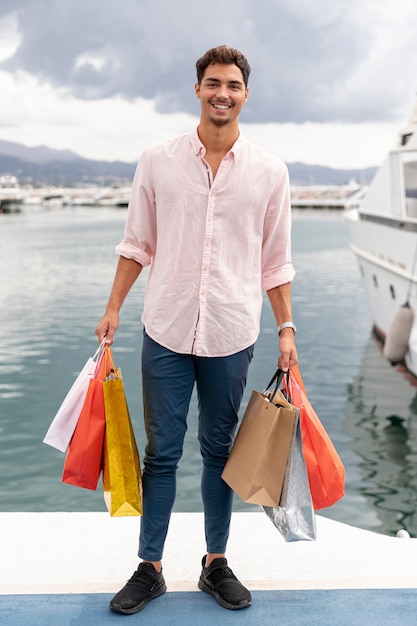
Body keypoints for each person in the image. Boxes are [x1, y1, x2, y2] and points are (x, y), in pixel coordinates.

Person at [95, 44, 297, 615]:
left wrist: (287, 328)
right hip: (164, 326)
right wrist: (112, 308)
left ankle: (215, 564)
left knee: (217, 449)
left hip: (233, 330)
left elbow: (275, 261)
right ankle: (150, 567)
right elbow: (137, 244)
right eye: (213, 83)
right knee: (162, 452)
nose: (222, 93)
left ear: (245, 94)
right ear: (198, 90)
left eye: (232, 85)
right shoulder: (158, 161)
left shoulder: (270, 172)